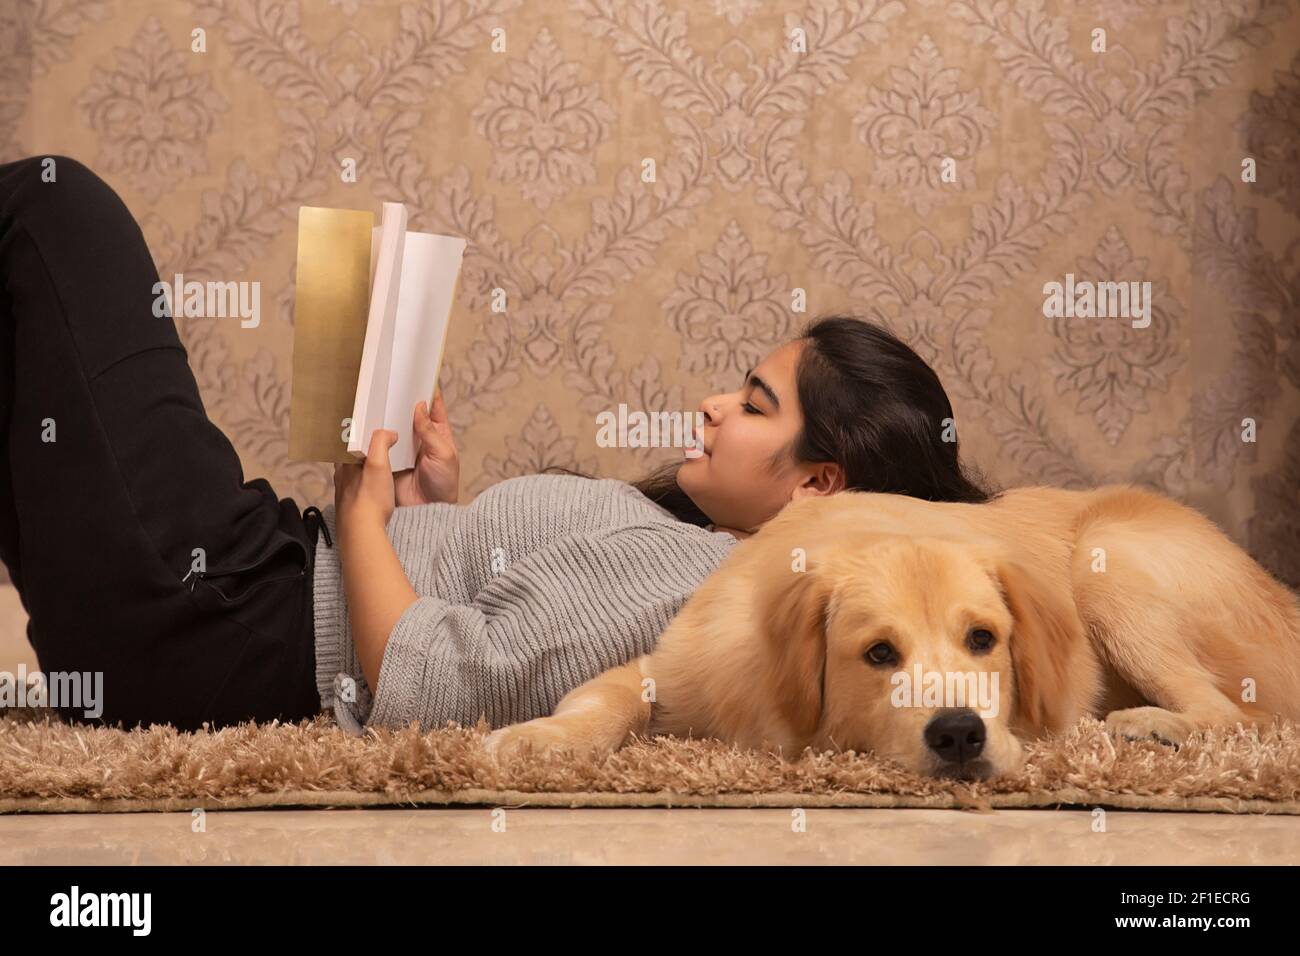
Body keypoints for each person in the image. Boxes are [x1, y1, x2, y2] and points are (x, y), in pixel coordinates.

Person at [0, 155, 988, 735]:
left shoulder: (693, 584)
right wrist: (430, 509)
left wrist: (362, 508)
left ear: (816, 484)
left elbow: (432, 685)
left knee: (54, 209)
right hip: (242, 599)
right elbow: (471, 633)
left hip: (223, 625)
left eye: (754, 402)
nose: (712, 404)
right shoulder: (690, 553)